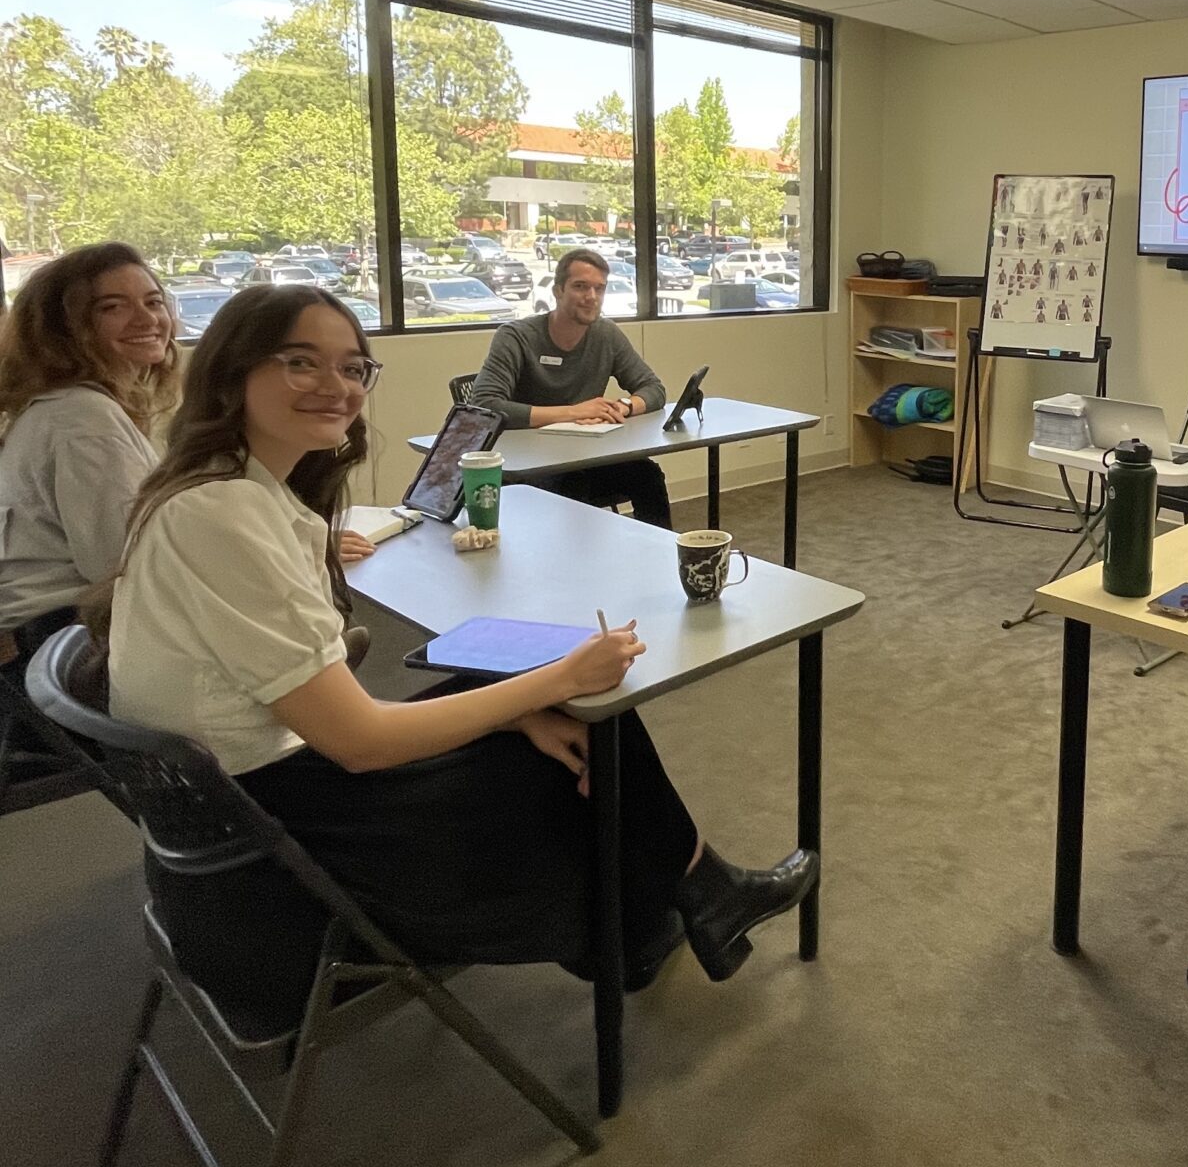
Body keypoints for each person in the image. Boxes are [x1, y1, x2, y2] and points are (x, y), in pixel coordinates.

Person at [93, 285, 814, 1027]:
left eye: (351, 368)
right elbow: (361, 743)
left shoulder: (227, 490)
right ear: (232, 370)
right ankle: (664, 913)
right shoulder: (224, 512)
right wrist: (552, 681)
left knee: (541, 703)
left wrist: (525, 705)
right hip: (280, 854)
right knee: (587, 721)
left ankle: (672, 909)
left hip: (247, 807)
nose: (333, 386)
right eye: (300, 362)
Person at [0, 243, 180, 684]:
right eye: (112, 307)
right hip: (67, 646)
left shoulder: (67, 406)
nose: (146, 319)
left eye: (153, 301)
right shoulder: (82, 417)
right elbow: (121, 563)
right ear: (65, 329)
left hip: (56, 639)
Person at [468, 246, 673, 529]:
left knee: (647, 475)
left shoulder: (606, 334)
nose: (591, 297)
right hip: (528, 465)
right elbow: (485, 405)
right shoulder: (515, 337)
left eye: (599, 289)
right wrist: (573, 412)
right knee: (572, 487)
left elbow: (653, 389)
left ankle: (659, 561)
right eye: (580, 287)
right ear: (558, 291)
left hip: (584, 456)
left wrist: (622, 407)